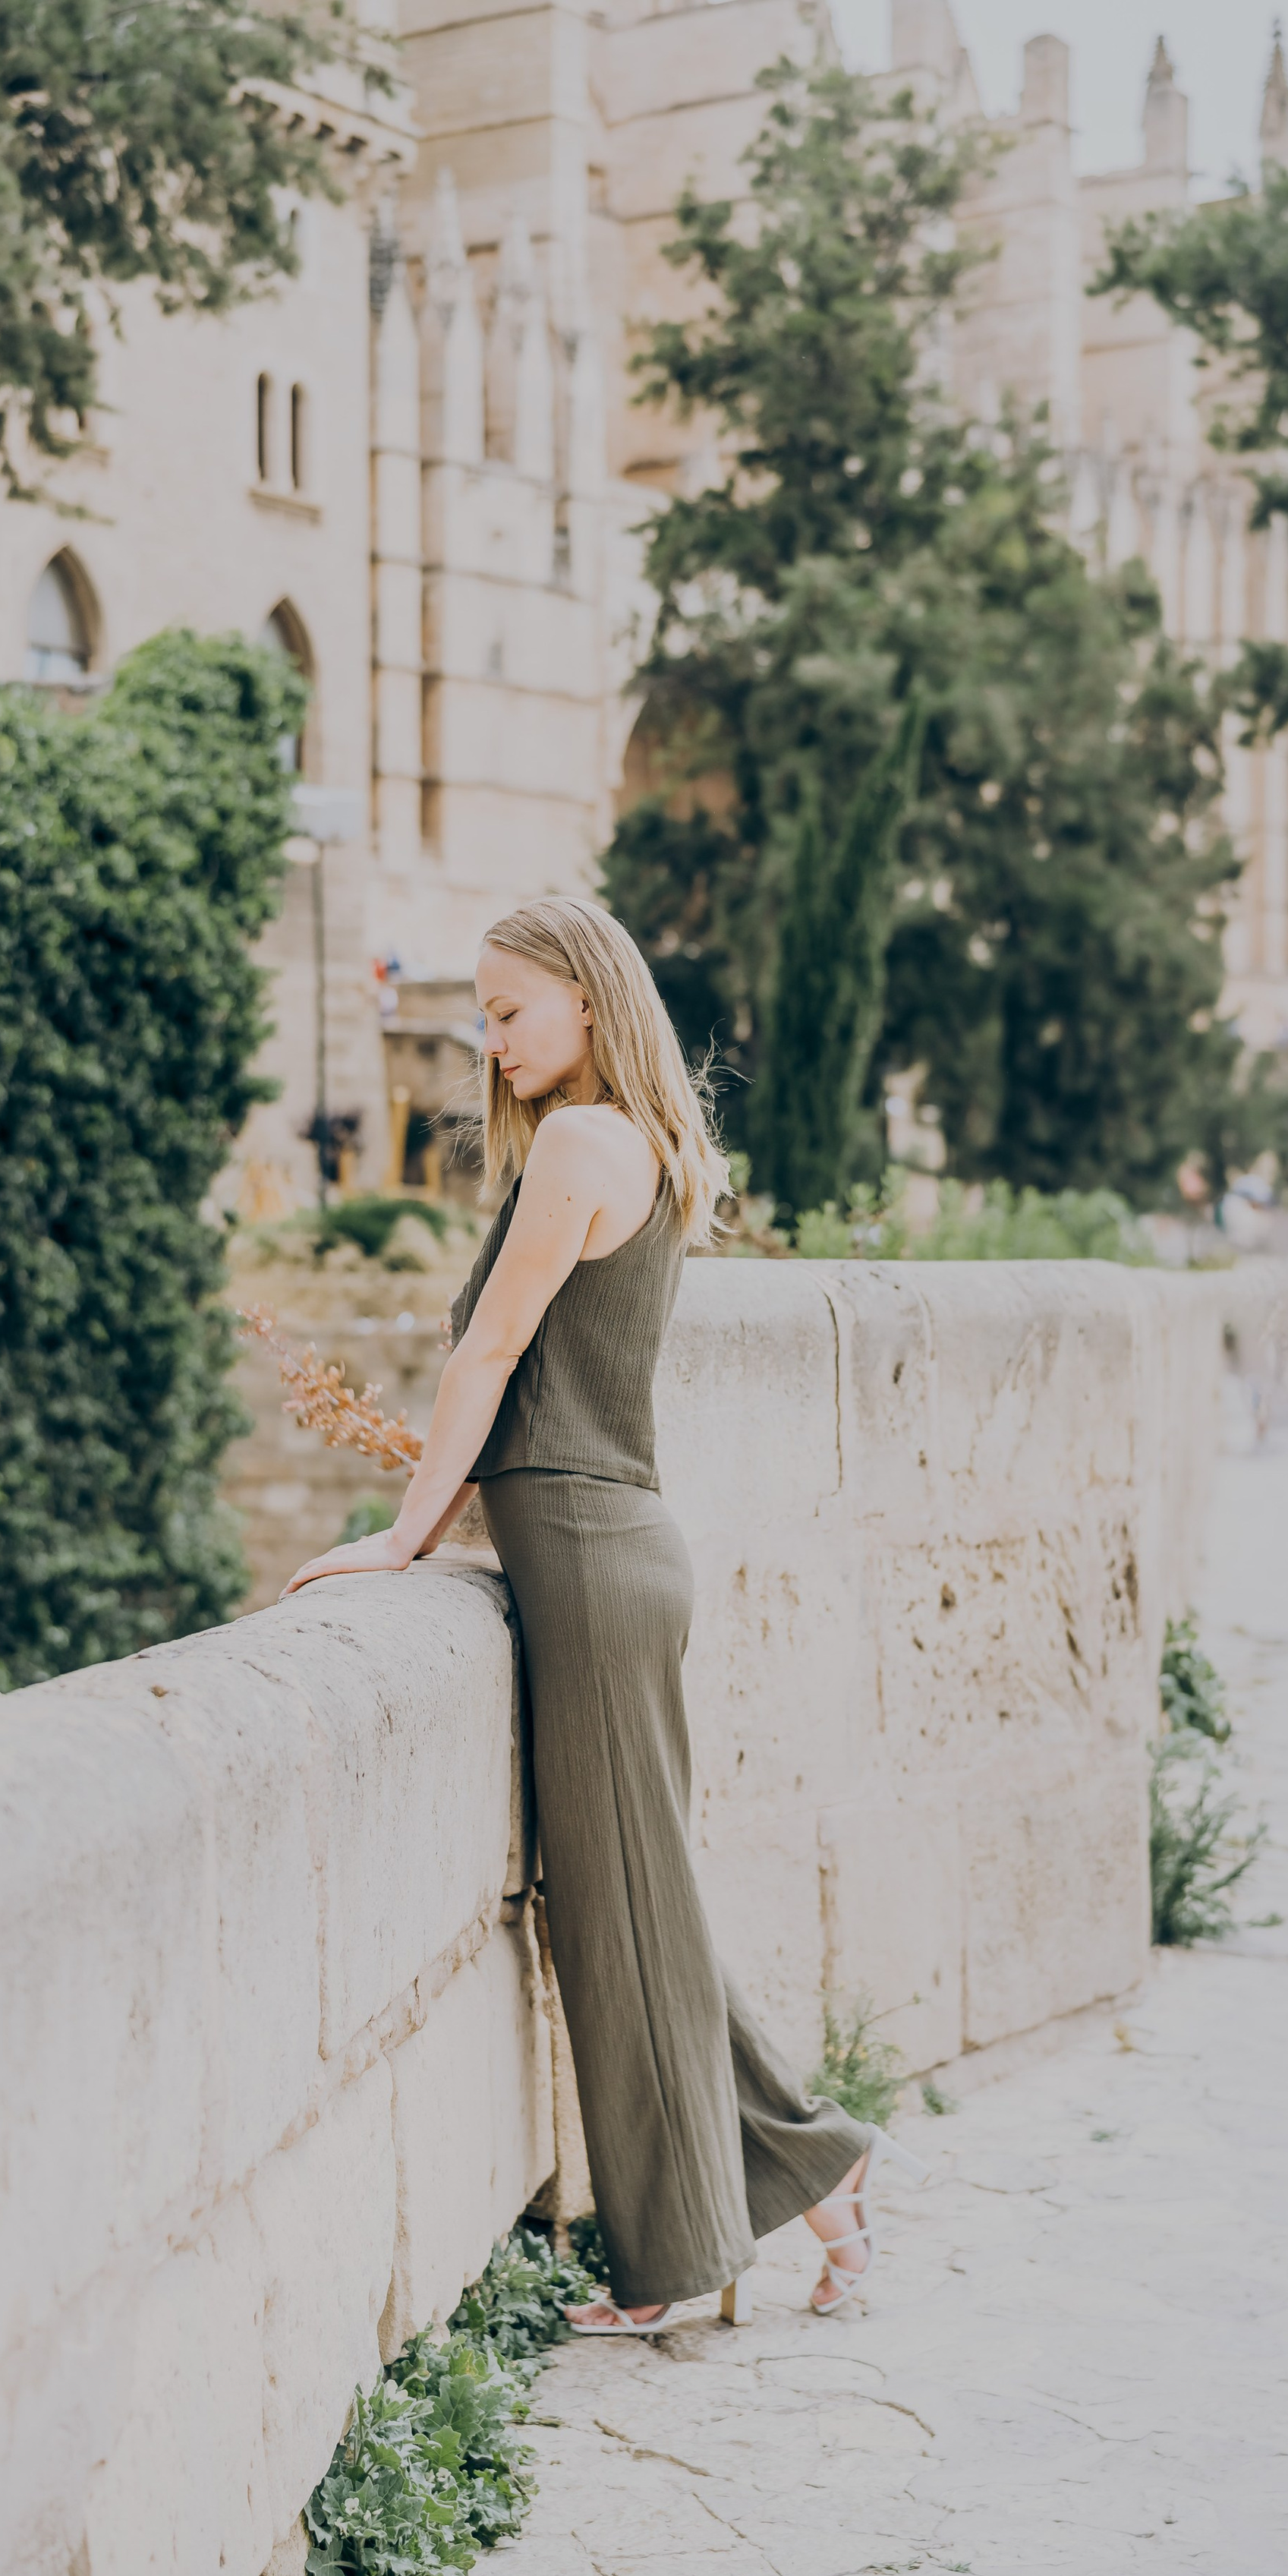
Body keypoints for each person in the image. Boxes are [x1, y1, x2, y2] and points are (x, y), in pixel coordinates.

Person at [284, 895, 921, 2331]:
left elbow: (492, 1353)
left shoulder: (581, 1141)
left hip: (586, 1549)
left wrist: (404, 1537)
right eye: (482, 1015)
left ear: (587, 995)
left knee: (620, 1911)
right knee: (637, 1902)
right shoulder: (641, 1140)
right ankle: (816, 2169)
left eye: (509, 1010)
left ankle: (681, 2256)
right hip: (601, 1547)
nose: (490, 1041)